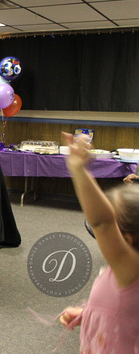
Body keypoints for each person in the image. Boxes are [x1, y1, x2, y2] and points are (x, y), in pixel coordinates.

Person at [59, 132, 139, 353]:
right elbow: (124, 310)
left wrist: (79, 169)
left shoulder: (130, 270)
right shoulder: (125, 272)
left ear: (127, 239)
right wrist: (88, 314)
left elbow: (102, 222)